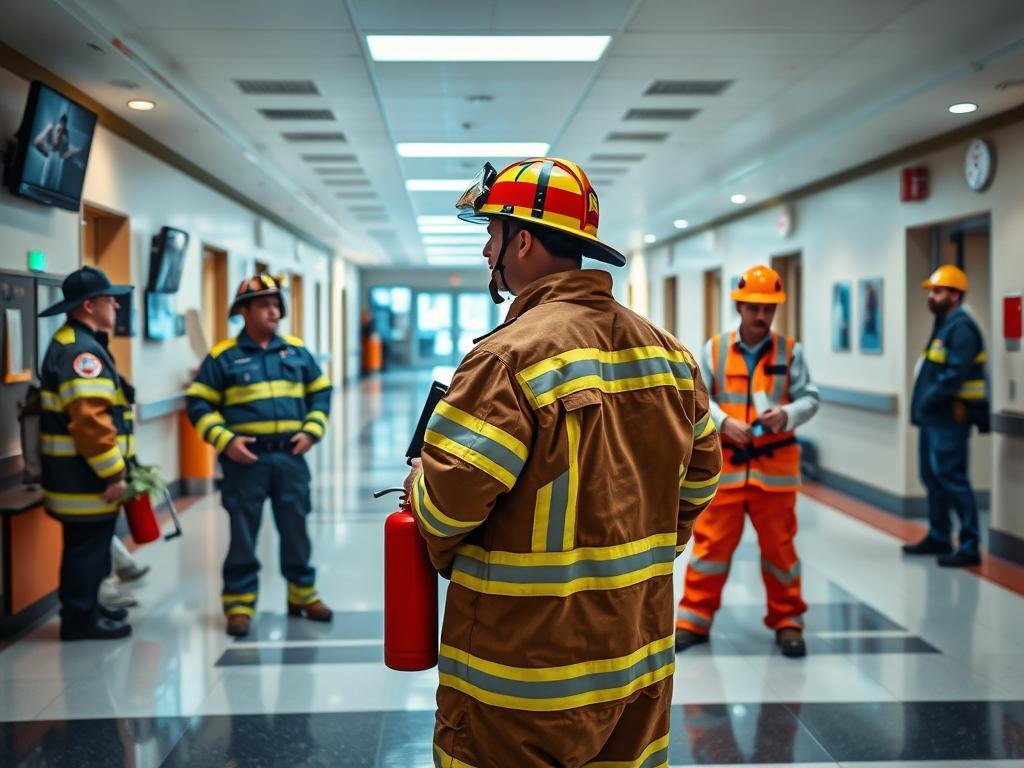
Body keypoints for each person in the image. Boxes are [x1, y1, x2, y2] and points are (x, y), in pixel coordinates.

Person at [401, 158, 722, 767]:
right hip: (638, 658)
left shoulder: (505, 359)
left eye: (491, 236)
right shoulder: (669, 353)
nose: (486, 251)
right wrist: (640, 552)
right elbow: (703, 479)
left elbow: (445, 512)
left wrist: (421, 485)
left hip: (522, 673)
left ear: (520, 242)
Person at [675, 265, 820, 658]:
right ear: (739, 306)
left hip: (775, 474)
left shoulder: (791, 352)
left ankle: (788, 621)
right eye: (754, 307)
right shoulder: (714, 349)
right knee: (710, 548)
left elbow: (811, 397)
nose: (761, 316)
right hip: (728, 470)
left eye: (768, 309)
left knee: (781, 552)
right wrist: (724, 421)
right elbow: (700, 397)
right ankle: (693, 619)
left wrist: (787, 415)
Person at [186, 273, 333, 637]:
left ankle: (303, 595)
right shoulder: (224, 357)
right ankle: (239, 604)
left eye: (276, 304)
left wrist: (312, 430)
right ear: (245, 312)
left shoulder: (296, 352)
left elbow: (321, 393)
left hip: (290, 459)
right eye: (265, 305)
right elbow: (198, 403)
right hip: (244, 462)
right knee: (242, 534)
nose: (274, 311)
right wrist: (224, 440)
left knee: (296, 530)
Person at [38, 266, 135, 641]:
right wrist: (114, 473)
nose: (117, 306)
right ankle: (81, 620)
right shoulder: (82, 353)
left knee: (88, 549)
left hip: (78, 476)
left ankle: (89, 607)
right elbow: (90, 423)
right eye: (111, 300)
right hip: (85, 479)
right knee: (87, 551)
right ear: (90, 305)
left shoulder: (75, 341)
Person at [903, 265, 989, 567]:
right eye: (931, 290)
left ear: (954, 295)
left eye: (937, 291)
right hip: (934, 417)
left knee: (953, 478)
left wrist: (929, 399)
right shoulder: (944, 324)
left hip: (950, 416)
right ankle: (939, 535)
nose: (931, 295)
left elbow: (954, 374)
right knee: (931, 476)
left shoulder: (962, 327)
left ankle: (969, 544)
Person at [33, 113, 82, 190]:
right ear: (53, 132)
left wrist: (74, 151)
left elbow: (72, 151)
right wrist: (48, 129)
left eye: (62, 133)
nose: (60, 135)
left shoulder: (62, 155)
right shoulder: (48, 151)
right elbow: (37, 142)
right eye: (58, 131)